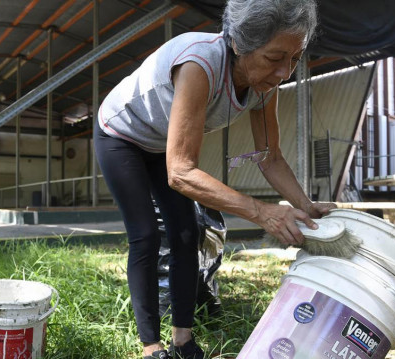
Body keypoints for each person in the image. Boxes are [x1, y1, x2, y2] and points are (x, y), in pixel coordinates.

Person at [93, 0, 335, 358]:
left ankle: (183, 338)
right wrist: (263, 212)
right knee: (145, 234)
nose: (285, 71)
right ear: (239, 43)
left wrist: (305, 205)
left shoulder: (265, 85)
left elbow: (270, 155)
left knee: (188, 232)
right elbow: (181, 172)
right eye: (274, 58)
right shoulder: (199, 65)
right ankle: (150, 346)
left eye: (295, 58)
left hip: (163, 144)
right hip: (121, 134)